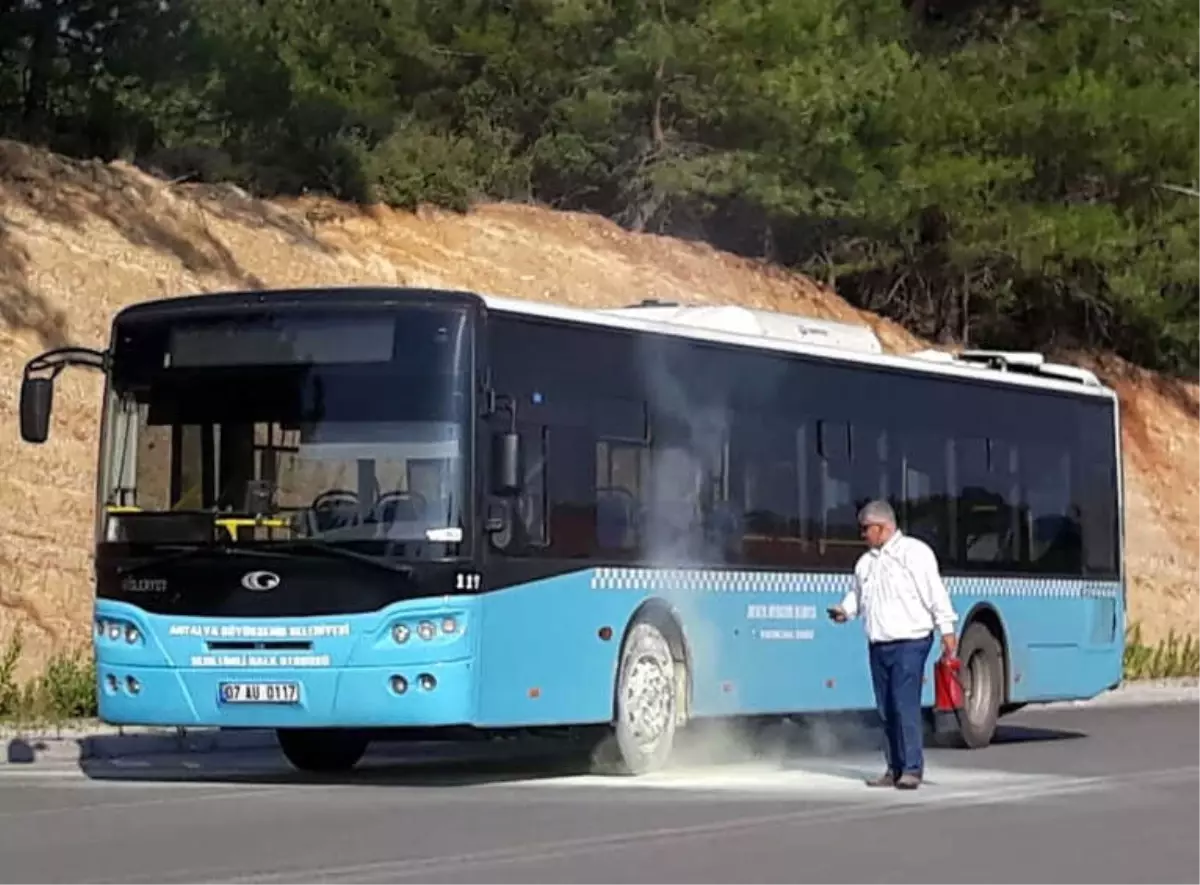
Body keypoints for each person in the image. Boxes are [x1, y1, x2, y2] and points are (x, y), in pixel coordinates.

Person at [828, 499, 958, 790]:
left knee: (904, 704)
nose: (862, 535)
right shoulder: (866, 563)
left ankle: (912, 768)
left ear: (883, 527)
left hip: (911, 641)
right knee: (885, 708)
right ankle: (893, 767)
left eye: (866, 529)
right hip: (879, 643)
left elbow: (934, 592)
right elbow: (857, 595)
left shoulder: (914, 553)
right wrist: (845, 611)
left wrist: (947, 629)